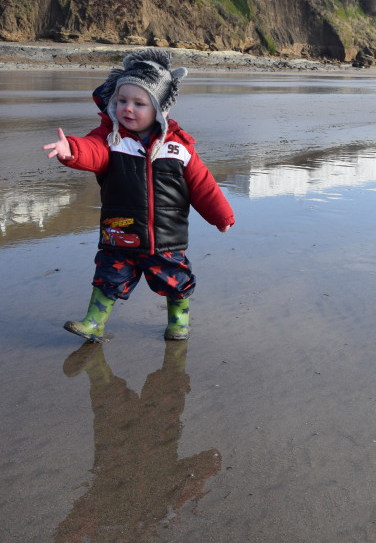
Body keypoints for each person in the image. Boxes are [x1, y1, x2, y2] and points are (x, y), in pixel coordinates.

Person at [43, 49, 234, 342]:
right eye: (121, 101)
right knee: (108, 278)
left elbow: (203, 185)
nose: (127, 109)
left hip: (166, 236)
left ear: (159, 109)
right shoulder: (111, 140)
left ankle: (178, 321)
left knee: (175, 281)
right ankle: (94, 322)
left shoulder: (178, 147)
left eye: (138, 103)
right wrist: (71, 150)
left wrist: (221, 216)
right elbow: (91, 152)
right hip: (119, 233)